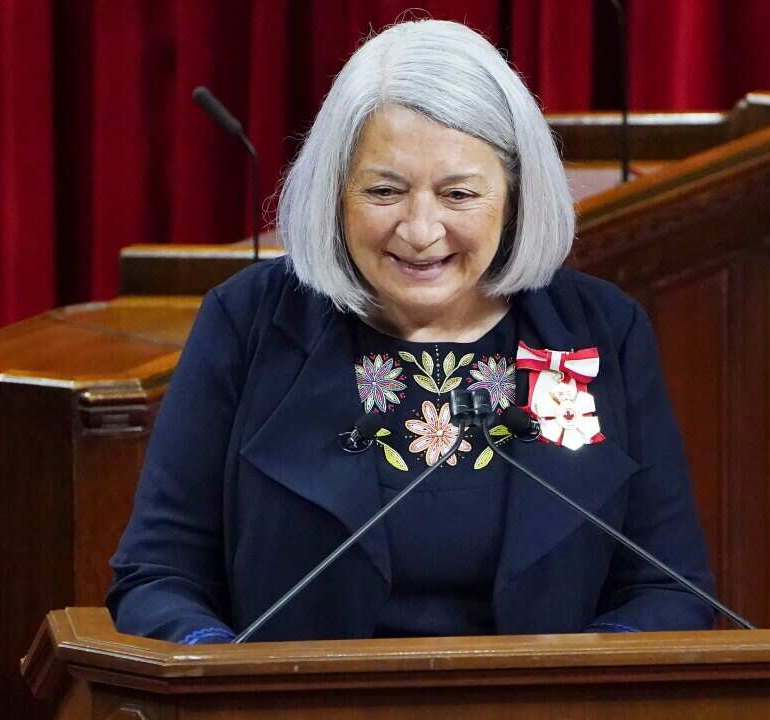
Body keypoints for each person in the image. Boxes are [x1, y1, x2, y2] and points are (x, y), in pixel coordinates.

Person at [107, 19, 715, 645]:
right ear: (334, 192)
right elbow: (157, 577)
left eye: (458, 194)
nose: (420, 229)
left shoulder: (600, 331)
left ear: (514, 196)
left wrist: (582, 682)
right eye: (385, 191)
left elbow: (668, 588)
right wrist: (221, 676)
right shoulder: (248, 325)